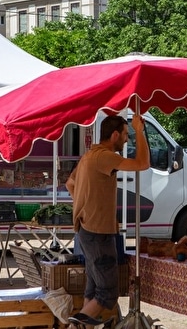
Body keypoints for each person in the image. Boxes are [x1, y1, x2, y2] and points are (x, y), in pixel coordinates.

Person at [65, 114, 150, 327]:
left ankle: (84, 324)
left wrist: (85, 204)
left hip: (87, 229)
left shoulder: (88, 157)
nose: (126, 140)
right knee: (107, 292)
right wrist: (139, 130)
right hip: (98, 231)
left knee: (93, 288)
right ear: (114, 135)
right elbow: (143, 163)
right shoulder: (104, 156)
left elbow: (70, 184)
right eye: (125, 135)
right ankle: (77, 325)